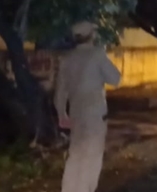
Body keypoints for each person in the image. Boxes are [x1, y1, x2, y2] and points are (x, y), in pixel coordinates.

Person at [55, 21, 122, 192]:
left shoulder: (66, 59)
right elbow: (115, 79)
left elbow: (60, 93)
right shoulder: (97, 54)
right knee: (92, 157)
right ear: (91, 36)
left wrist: (62, 114)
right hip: (95, 116)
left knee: (75, 155)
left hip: (76, 114)